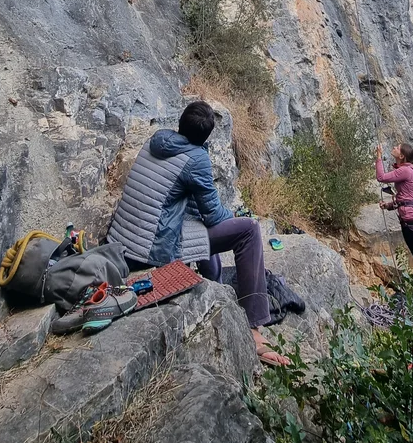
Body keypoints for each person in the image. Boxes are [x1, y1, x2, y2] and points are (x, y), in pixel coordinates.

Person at [106, 100, 288, 366]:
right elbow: (213, 215)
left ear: (181, 123)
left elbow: (181, 200)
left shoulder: (155, 141)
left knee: (202, 233)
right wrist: (235, 217)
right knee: (248, 231)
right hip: (152, 250)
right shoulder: (196, 159)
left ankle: (212, 281)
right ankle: (254, 327)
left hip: (123, 241)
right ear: (207, 135)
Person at [374, 142, 413, 304]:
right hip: (412, 220)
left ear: (402, 156)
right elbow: (405, 197)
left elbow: (381, 177)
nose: (394, 146)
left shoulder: (405, 170)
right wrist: (389, 206)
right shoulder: (406, 170)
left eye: (397, 147)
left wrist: (378, 156)